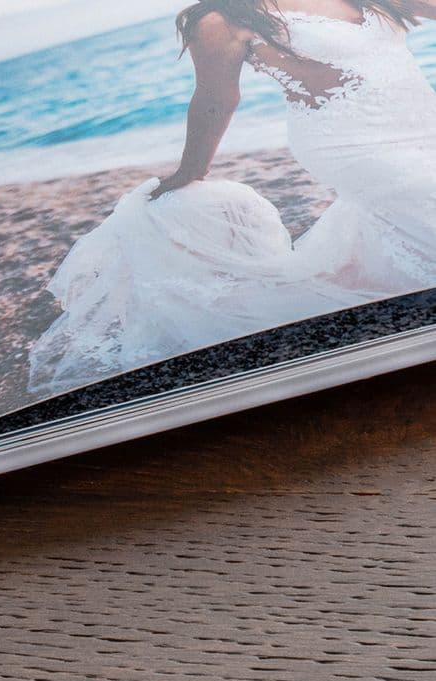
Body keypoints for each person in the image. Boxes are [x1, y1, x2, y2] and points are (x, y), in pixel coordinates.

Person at [28, 0, 436, 395]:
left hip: (420, 121)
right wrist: (190, 173)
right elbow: (215, 100)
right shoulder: (219, 18)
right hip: (352, 142)